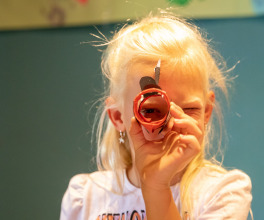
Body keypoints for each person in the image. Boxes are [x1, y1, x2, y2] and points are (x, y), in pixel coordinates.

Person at [60, 12, 252, 220]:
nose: (171, 123)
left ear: (206, 111)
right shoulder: (85, 196)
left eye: (189, 110)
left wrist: (155, 187)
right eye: (151, 110)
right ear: (117, 117)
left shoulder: (222, 193)